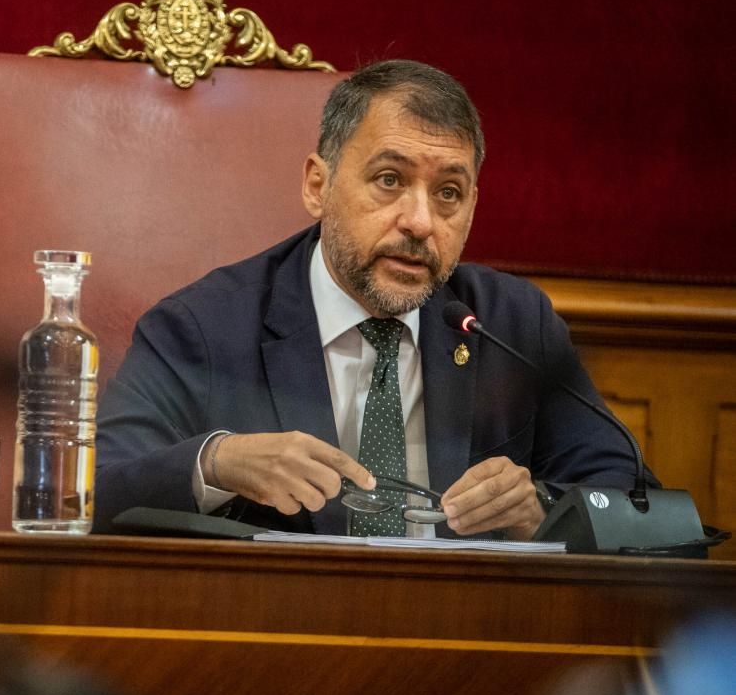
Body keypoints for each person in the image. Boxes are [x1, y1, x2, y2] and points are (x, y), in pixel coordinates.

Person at [94, 59, 650, 539]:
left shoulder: (510, 325)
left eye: (448, 194)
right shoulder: (204, 327)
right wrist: (216, 462)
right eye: (389, 180)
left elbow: (643, 510)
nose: (420, 222)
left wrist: (543, 508)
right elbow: (95, 492)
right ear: (318, 185)